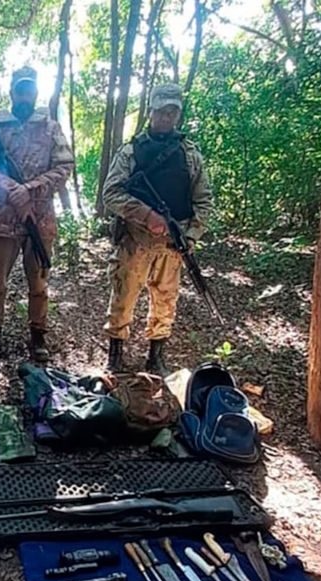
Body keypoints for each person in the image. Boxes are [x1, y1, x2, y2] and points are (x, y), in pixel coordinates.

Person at [102, 83, 213, 377]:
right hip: (135, 239)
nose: (166, 117)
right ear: (151, 111)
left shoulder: (190, 154)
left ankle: (156, 356)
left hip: (173, 242)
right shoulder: (131, 151)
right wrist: (146, 215)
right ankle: (115, 354)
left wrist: (191, 235)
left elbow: (203, 200)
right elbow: (111, 194)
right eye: (162, 111)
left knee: (165, 300)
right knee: (124, 295)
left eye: (172, 112)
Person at [0, 66, 74, 363]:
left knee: (39, 283)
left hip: (38, 218)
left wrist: (29, 190)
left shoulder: (51, 128)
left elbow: (64, 166)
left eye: (29, 91)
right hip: (0, 218)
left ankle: (38, 335)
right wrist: (12, 190)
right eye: (20, 90)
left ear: (36, 93)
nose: (24, 95)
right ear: (12, 92)